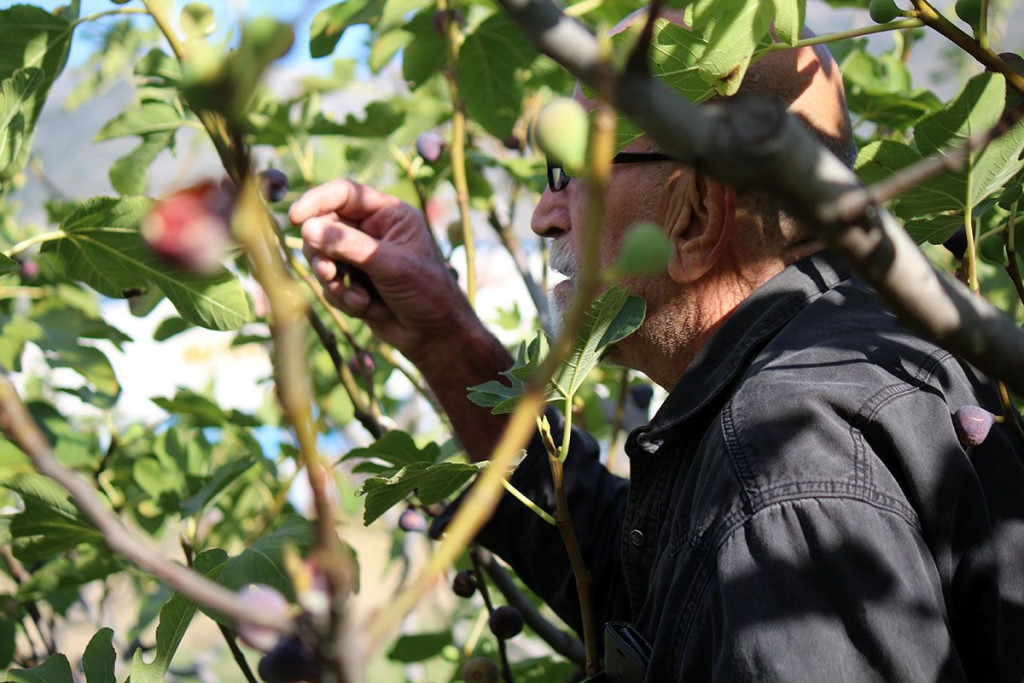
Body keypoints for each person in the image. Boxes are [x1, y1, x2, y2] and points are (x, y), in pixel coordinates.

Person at [291, 13, 1024, 681]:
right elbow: (643, 591)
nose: (546, 215)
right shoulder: (844, 371)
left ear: (697, 214)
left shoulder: (787, 471)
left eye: (572, 171)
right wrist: (446, 334)